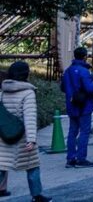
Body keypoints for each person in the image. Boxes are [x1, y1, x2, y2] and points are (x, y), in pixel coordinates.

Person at [0, 61, 52, 202]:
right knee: (32, 166)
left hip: (4, 136)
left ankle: (1, 189)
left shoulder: (3, 90)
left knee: (2, 165)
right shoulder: (28, 92)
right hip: (22, 137)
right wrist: (31, 139)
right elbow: (29, 116)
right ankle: (37, 196)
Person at [60, 46, 93, 168]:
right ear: (85, 56)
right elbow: (89, 88)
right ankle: (81, 158)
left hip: (72, 104)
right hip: (84, 105)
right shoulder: (84, 71)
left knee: (72, 132)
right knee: (84, 132)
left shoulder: (68, 71)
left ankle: (70, 158)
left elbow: (62, 87)